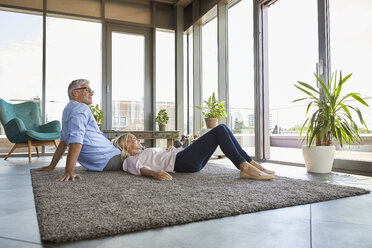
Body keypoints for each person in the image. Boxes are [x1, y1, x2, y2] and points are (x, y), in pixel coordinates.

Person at [113, 124, 275, 181]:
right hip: (182, 162)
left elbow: (158, 157)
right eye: (133, 138)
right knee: (219, 130)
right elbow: (139, 169)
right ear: (126, 146)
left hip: (182, 158)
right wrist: (155, 174)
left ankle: (250, 162)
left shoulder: (145, 151)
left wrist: (170, 150)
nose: (137, 139)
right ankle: (244, 167)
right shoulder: (129, 160)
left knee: (223, 128)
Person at [33, 79, 123, 181]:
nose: (92, 93)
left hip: (104, 158)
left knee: (136, 150)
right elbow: (76, 140)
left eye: (91, 90)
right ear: (75, 93)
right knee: (140, 156)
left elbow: (63, 141)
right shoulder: (81, 108)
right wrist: (69, 172)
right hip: (109, 157)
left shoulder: (68, 109)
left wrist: (51, 166)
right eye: (87, 89)